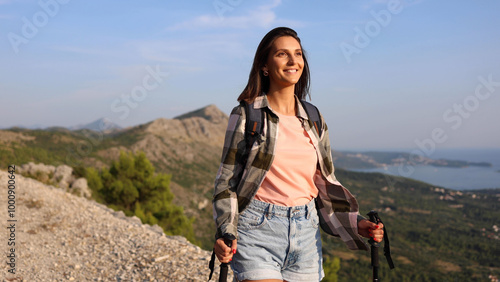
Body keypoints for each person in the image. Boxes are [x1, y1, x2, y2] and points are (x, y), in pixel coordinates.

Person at [212, 27, 384, 282]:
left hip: (306, 234)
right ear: (265, 65)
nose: (294, 61)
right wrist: (226, 231)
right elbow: (226, 182)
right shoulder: (247, 115)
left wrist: (356, 223)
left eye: (298, 54)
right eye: (283, 54)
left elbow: (323, 187)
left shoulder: (314, 118)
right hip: (257, 230)